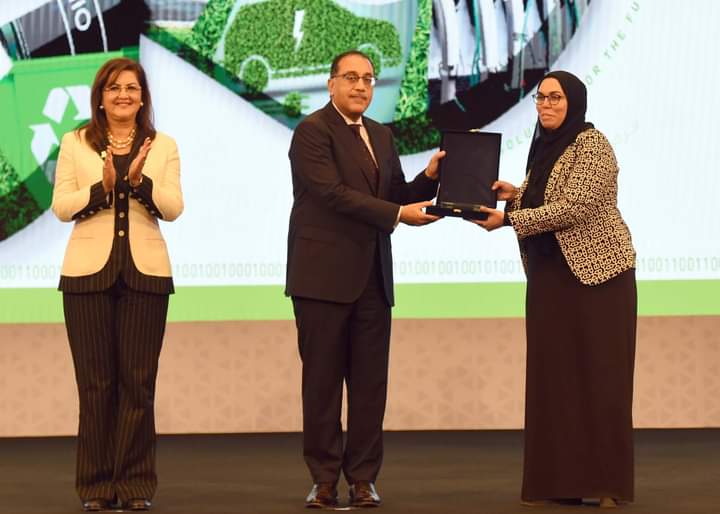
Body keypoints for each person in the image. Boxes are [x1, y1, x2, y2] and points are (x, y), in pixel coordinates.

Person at [286, 50, 445, 509]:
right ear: (331, 83)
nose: (360, 86)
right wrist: (398, 213)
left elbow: (394, 194)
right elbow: (333, 194)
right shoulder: (312, 131)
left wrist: (429, 178)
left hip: (373, 279)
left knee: (370, 387)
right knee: (322, 386)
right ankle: (323, 481)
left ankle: (362, 480)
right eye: (351, 77)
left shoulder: (381, 134)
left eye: (369, 79)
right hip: (322, 280)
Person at [474, 71, 636, 508]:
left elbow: (575, 206)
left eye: (555, 98)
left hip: (598, 278)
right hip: (550, 279)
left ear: (574, 102)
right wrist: (514, 194)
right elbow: (545, 194)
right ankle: (562, 483)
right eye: (541, 98)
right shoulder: (545, 146)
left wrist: (508, 219)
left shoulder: (592, 144)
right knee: (555, 383)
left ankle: (606, 485)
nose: (546, 105)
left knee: (601, 379)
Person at [51, 57, 183, 512]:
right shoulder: (75, 142)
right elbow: (61, 206)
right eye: (113, 88)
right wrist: (101, 189)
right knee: (95, 386)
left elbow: (174, 207)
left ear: (143, 97)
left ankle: (134, 485)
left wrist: (139, 182)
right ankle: (95, 486)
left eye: (131, 87)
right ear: (100, 98)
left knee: (138, 385)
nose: (123, 95)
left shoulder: (162, 145)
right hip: (86, 277)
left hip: (147, 277)